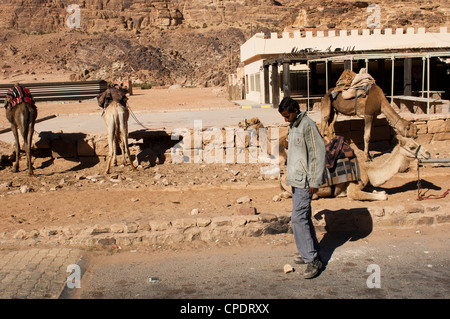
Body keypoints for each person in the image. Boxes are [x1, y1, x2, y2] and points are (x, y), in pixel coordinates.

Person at [278, 96, 326, 279]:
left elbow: (318, 154)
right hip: (296, 180)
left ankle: (312, 260)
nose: (285, 119)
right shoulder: (294, 125)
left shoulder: (308, 125)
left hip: (306, 181)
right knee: (303, 217)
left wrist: (315, 181)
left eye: (287, 115)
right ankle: (310, 251)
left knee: (298, 219)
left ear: (295, 111)